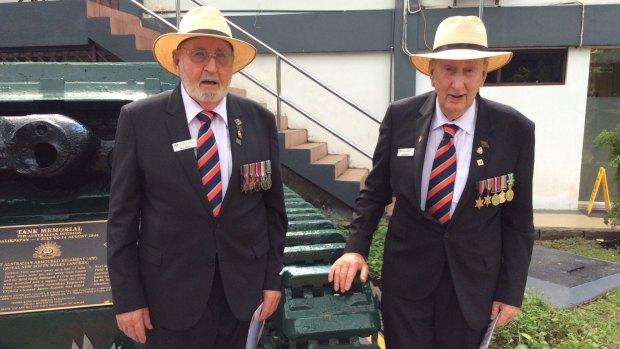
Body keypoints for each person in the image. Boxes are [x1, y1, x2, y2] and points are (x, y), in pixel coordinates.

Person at [328, 16, 535, 349]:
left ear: (484, 73)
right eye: (449, 70)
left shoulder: (515, 131)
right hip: (407, 284)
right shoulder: (401, 117)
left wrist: (511, 292)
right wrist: (354, 250)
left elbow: (519, 221)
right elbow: (375, 191)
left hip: (472, 287)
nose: (458, 84)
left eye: (469, 71)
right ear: (432, 71)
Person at [106, 6, 287, 349]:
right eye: (198, 54)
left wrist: (271, 278)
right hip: (169, 298)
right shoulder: (140, 121)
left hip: (242, 296)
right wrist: (128, 298)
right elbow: (122, 220)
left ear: (232, 65)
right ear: (177, 60)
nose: (211, 67)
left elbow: (273, 212)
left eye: (221, 56)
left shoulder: (259, 121)